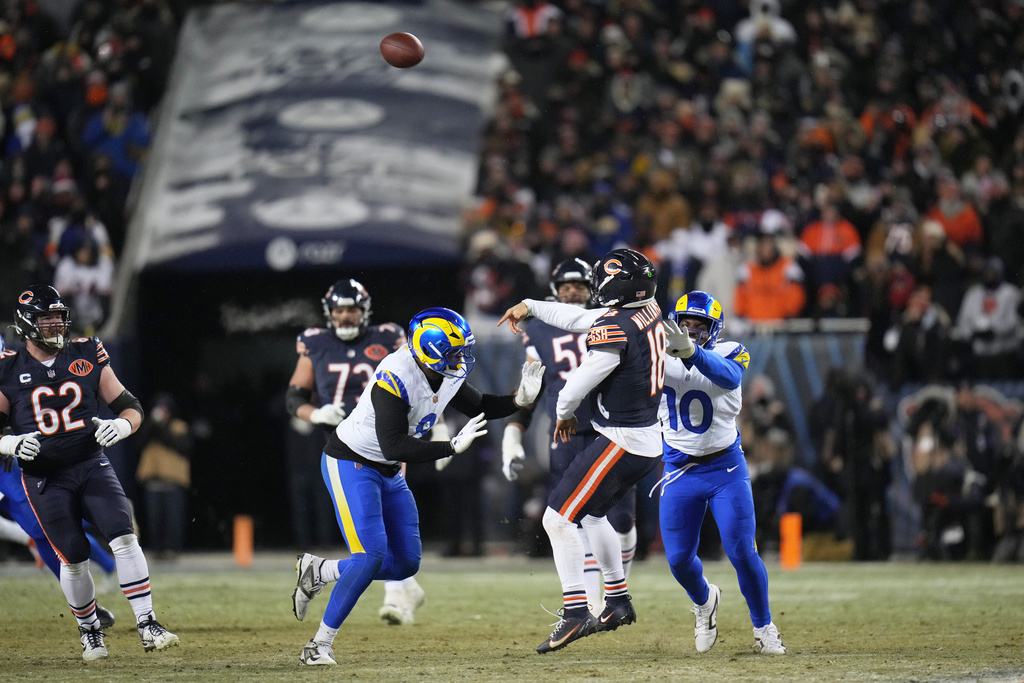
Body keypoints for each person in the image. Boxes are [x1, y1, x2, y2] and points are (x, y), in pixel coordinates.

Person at [290, 307, 544, 666]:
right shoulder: (395, 375)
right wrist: (450, 446)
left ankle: (322, 571)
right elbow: (394, 443)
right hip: (351, 462)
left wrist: (520, 400)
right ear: (428, 350)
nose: (461, 359)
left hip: (388, 469)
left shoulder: (442, 370)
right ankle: (318, 644)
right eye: (454, 352)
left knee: (406, 563)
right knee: (371, 556)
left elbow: (480, 404)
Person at [497, 248, 665, 654]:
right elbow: (578, 318)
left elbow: (578, 383)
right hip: (642, 438)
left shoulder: (618, 326)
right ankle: (618, 601)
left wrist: (564, 412)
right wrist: (531, 305)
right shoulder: (647, 310)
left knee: (557, 519)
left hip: (622, 438)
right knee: (590, 515)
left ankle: (576, 612)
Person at [0, 285, 178, 661]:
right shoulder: (8, 367)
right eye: (45, 320)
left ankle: (147, 623)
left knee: (124, 536)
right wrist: (9, 444)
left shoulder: (85, 351)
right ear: (26, 324)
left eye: (57, 318)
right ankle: (90, 632)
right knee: (73, 556)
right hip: (44, 477)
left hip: (90, 463)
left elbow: (129, 405)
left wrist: (124, 426)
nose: (54, 326)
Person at [286, 279, 430, 626]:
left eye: (352, 309)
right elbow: (295, 397)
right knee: (373, 533)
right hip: (342, 448)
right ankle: (402, 590)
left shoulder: (388, 336)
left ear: (364, 311)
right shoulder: (315, 342)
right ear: (329, 313)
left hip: (387, 441)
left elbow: (419, 380)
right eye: (339, 310)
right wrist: (315, 413)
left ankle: (397, 593)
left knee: (381, 530)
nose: (346, 316)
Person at [659, 290, 786, 654]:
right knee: (679, 560)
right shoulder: (657, 354)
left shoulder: (730, 350)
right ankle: (705, 601)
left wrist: (692, 353)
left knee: (743, 551)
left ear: (713, 330)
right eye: (686, 324)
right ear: (675, 322)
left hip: (725, 467)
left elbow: (729, 377)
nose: (692, 331)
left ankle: (763, 628)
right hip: (679, 469)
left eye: (700, 326)